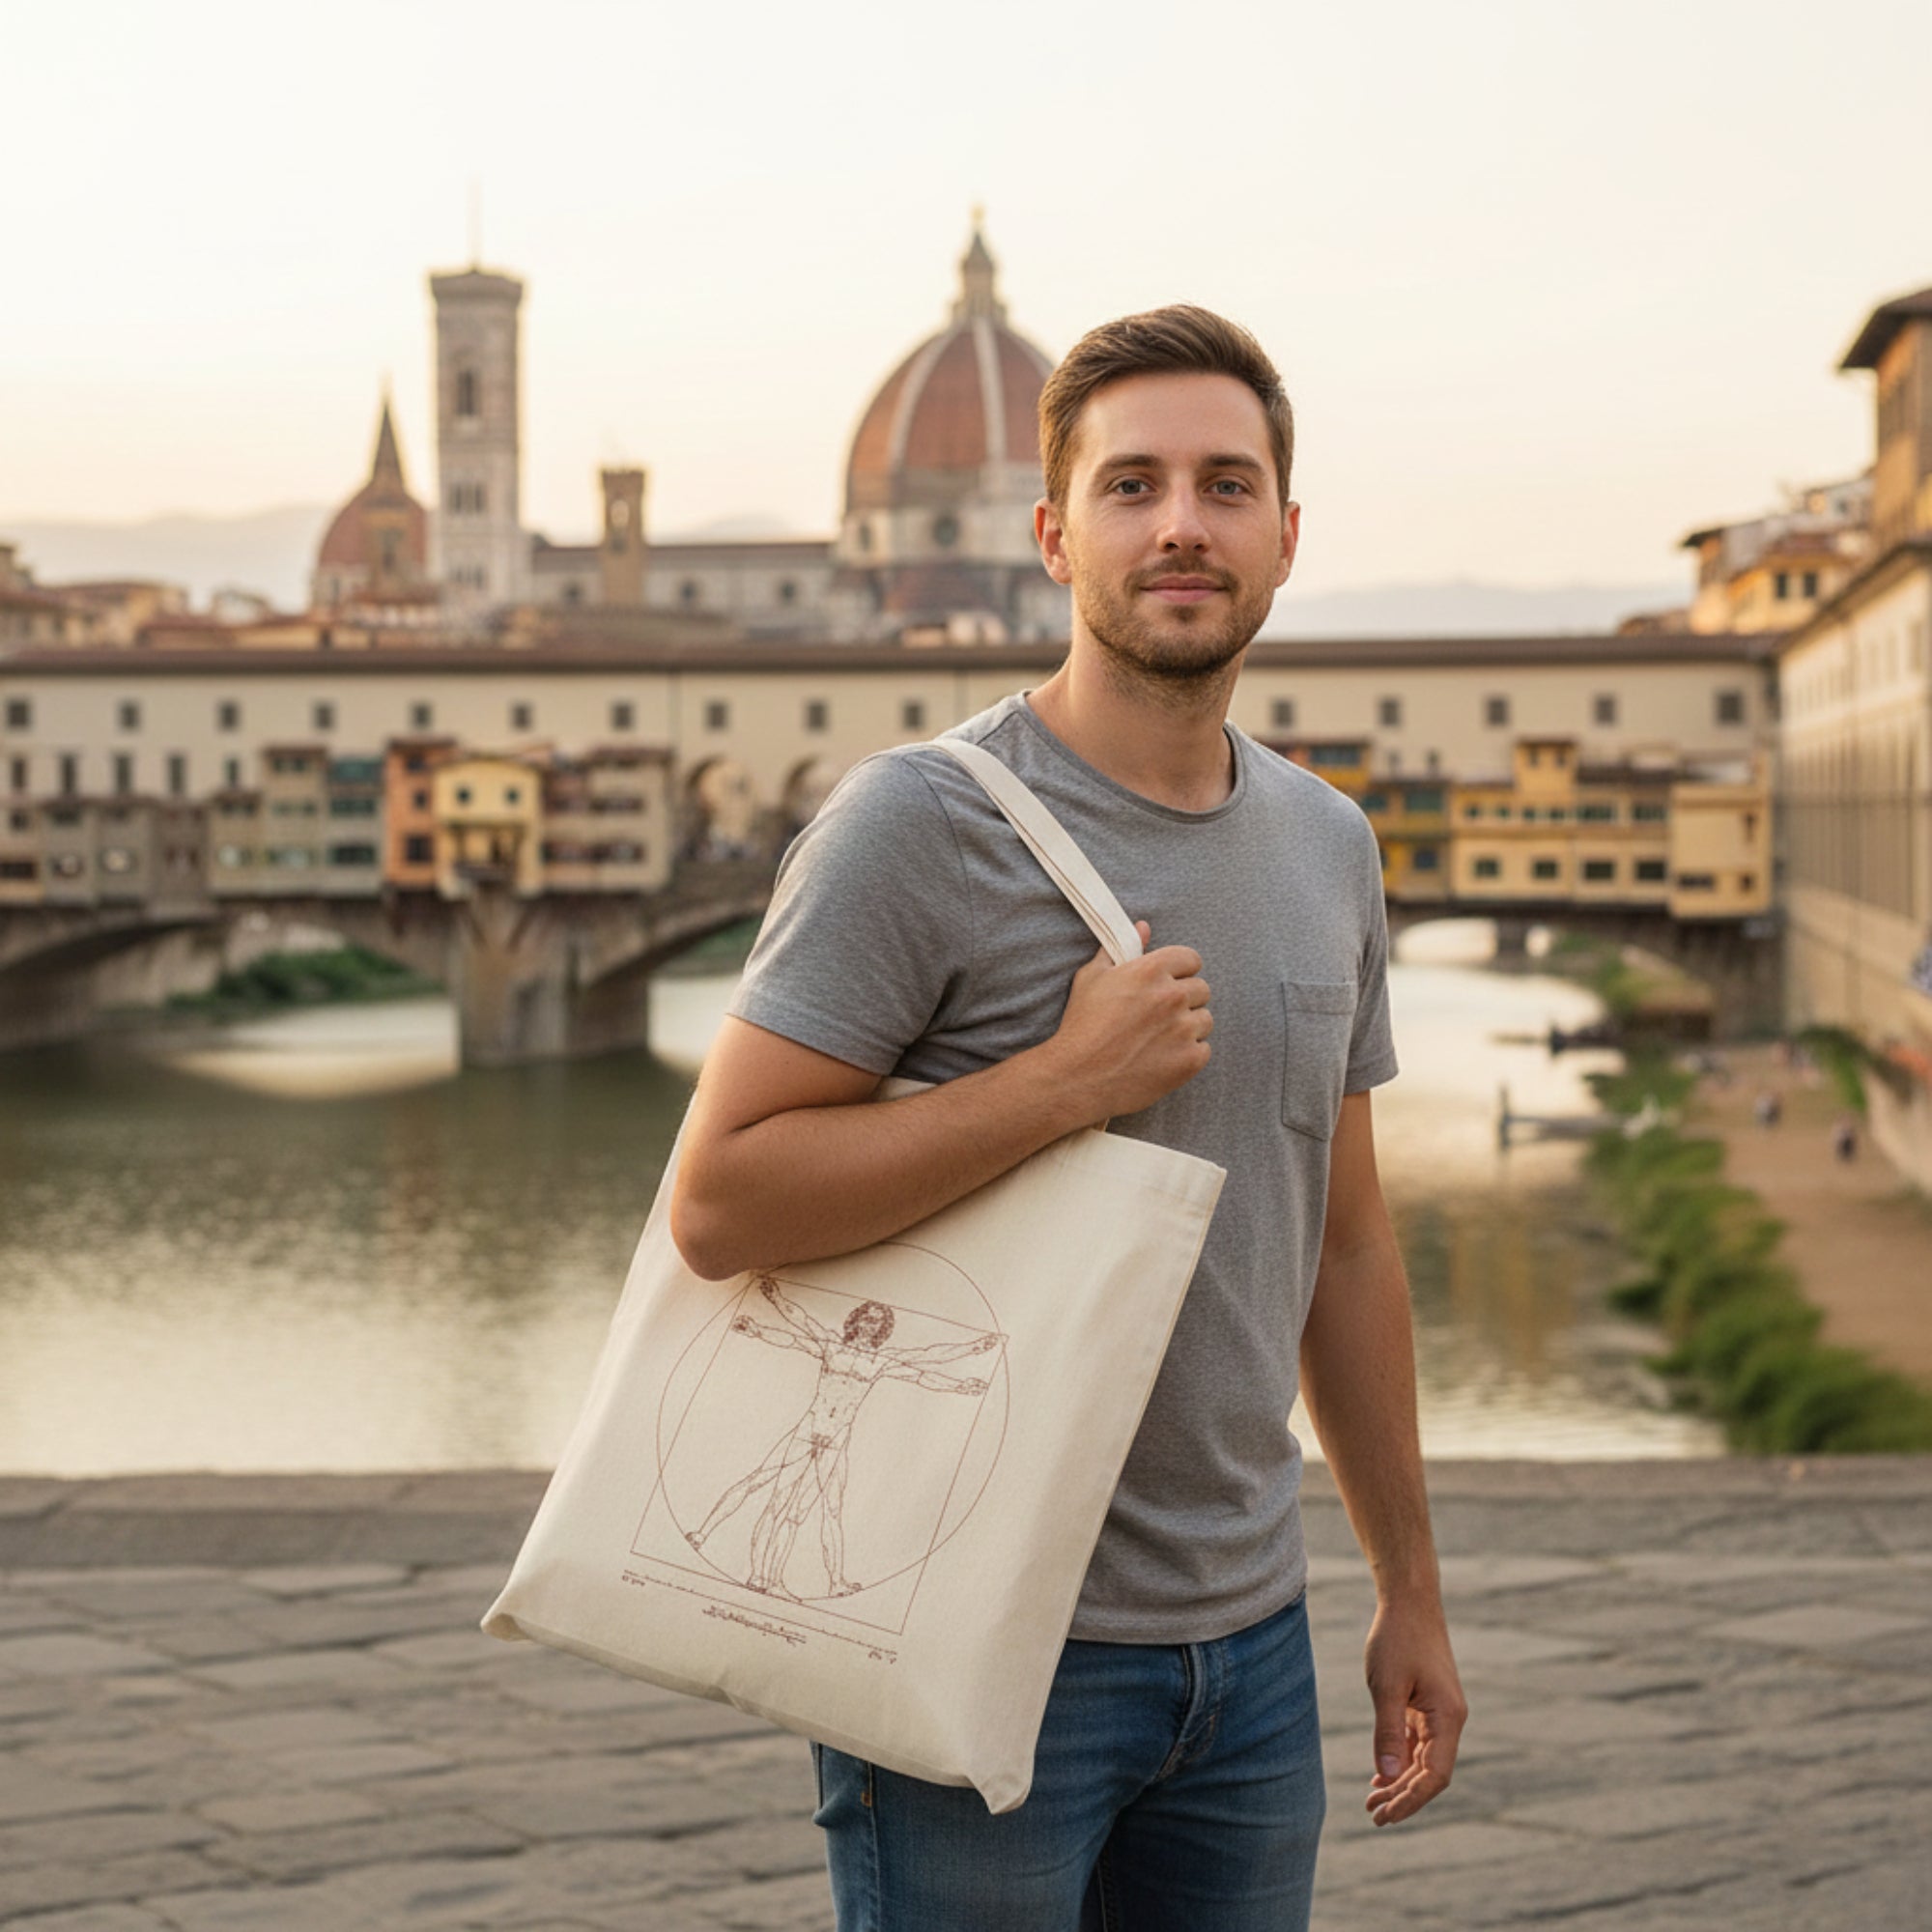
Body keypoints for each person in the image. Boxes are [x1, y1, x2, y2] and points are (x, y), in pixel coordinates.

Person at [671, 305, 1465, 1931]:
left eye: (1227, 485)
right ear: (1053, 534)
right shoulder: (915, 824)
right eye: (1134, 486)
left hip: (1249, 1654)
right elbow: (720, 1202)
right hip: (965, 1630)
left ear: (1286, 537)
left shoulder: (1331, 849)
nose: (1182, 523)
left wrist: (1408, 1592)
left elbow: (1347, 1245)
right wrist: (1060, 1088)